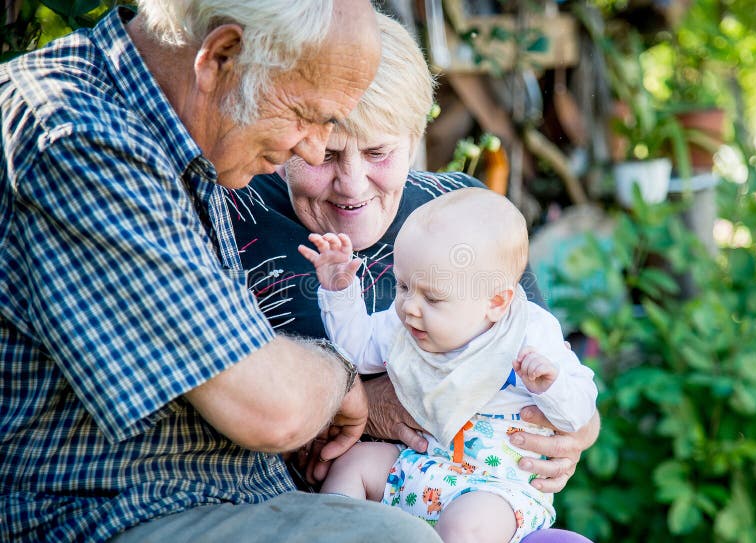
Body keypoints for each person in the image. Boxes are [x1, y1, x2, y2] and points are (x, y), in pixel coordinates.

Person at [0, 1, 443, 542]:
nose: (309, 146)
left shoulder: (181, 132)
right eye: (307, 115)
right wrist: (343, 379)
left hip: (219, 496)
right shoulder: (81, 138)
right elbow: (269, 407)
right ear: (220, 57)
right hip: (112, 515)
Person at [229, 13, 599, 543]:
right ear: (294, 130)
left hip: (478, 494)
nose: (351, 184)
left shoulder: (462, 213)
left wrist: (578, 430)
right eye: (327, 154)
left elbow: (551, 362)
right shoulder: (236, 209)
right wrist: (366, 400)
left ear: (415, 136)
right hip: (306, 506)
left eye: (379, 152)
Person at [299, 187, 598, 543]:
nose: (410, 306)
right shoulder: (406, 323)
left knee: (464, 527)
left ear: (496, 302)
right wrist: (340, 293)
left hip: (497, 488)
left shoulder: (529, 334)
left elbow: (579, 412)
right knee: (354, 465)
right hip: (423, 465)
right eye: (403, 285)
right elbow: (357, 350)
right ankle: (332, 535)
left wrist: (551, 384)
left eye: (433, 297)